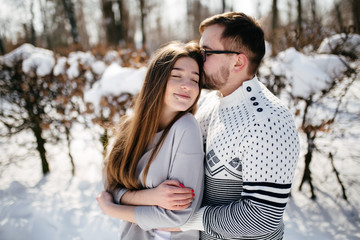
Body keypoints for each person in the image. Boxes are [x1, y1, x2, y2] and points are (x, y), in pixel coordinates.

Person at [96, 41, 205, 240]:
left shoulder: (186, 128)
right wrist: (149, 197)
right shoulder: (130, 127)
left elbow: (176, 216)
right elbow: (110, 184)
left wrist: (112, 209)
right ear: (157, 80)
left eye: (195, 80)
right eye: (176, 76)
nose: (187, 86)